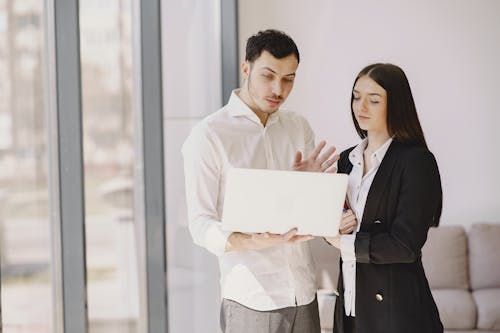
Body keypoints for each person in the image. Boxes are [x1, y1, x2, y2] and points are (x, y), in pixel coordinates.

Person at [182, 29, 338, 333]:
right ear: (246, 68)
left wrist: (312, 191)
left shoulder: (298, 127)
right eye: (268, 75)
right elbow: (200, 223)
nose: (278, 89)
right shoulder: (209, 135)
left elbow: (310, 216)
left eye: (289, 78)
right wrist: (252, 240)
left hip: (303, 292)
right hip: (251, 297)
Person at [325, 63, 444, 333]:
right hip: (350, 305)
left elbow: (405, 246)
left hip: (397, 312)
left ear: (396, 104)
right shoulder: (346, 160)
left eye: (374, 100)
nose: (360, 106)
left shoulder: (416, 162)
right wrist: (331, 225)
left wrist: (343, 241)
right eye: (356, 96)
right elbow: (335, 227)